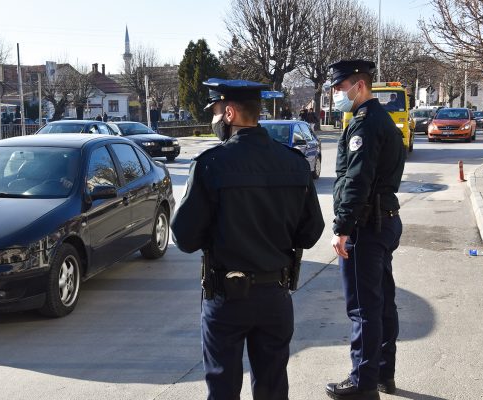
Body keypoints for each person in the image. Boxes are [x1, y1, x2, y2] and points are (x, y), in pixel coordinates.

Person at [171, 78, 325, 400]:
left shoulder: (211, 164)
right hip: (275, 296)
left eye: (215, 111)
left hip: (226, 298)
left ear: (229, 113)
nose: (214, 120)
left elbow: (184, 237)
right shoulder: (294, 163)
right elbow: (311, 232)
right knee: (272, 389)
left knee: (223, 389)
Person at [325, 60, 406, 400]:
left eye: (340, 87)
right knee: (382, 301)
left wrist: (342, 227)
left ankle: (363, 381)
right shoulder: (379, 119)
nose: (335, 94)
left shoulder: (365, 125)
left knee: (363, 307)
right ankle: (382, 372)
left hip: (365, 226)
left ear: (359, 86)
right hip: (383, 220)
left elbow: (356, 181)